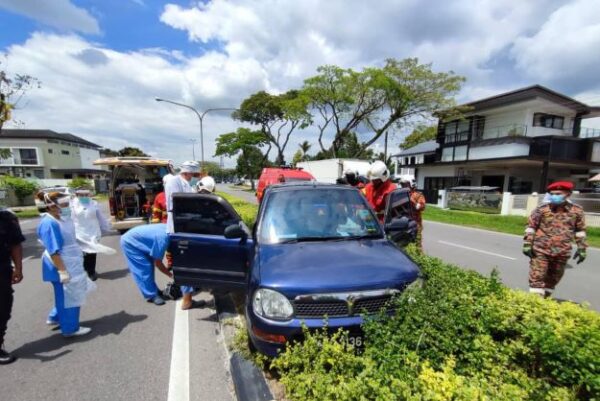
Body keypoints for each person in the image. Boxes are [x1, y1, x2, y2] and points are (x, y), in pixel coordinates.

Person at [36, 191, 95, 337]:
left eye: (67, 204)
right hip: (61, 264)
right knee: (70, 296)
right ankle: (70, 328)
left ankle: (55, 317)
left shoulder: (61, 218)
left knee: (64, 294)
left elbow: (70, 239)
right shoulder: (49, 223)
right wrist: (62, 271)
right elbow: (53, 250)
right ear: (51, 206)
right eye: (63, 205)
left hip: (69, 261)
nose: (67, 207)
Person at [523, 181, 587, 298]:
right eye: (552, 193)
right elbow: (531, 227)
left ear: (568, 194)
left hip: (562, 252)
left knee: (553, 279)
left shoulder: (577, 211)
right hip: (541, 250)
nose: (554, 196)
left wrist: (582, 248)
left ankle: (545, 301)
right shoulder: (542, 209)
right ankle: (535, 304)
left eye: (558, 193)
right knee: (537, 277)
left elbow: (580, 231)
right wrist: (527, 243)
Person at [120, 223, 173, 305]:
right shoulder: (163, 239)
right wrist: (170, 275)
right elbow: (158, 263)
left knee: (149, 266)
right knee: (144, 268)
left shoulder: (170, 229)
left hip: (139, 240)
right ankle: (151, 295)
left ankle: (154, 290)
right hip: (130, 243)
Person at [71, 188, 115, 281]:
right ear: (77, 195)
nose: (84, 197)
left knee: (92, 252)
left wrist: (106, 227)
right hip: (79, 233)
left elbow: (101, 217)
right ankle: (84, 270)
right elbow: (69, 220)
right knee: (83, 253)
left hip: (93, 232)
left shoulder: (94, 204)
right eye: (81, 195)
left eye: (86, 195)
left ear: (89, 195)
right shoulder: (72, 205)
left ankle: (91, 272)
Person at [0, 208, 25, 364]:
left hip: (2, 270)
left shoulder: (6, 218)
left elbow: (16, 244)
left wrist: (18, 268)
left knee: (3, 309)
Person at [165, 161, 200, 233]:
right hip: (177, 222)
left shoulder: (188, 184)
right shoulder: (174, 182)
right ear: (187, 172)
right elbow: (177, 202)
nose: (196, 177)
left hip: (186, 220)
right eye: (194, 175)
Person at [400, 180, 427, 251]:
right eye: (402, 184)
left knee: (417, 243)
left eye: (405, 184)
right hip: (404, 223)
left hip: (415, 223)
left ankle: (419, 259)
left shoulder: (418, 194)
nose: (404, 186)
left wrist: (412, 201)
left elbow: (422, 206)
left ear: (411, 184)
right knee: (404, 244)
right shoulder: (400, 195)